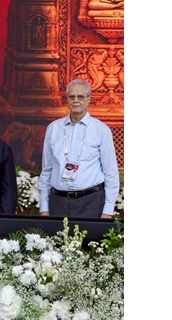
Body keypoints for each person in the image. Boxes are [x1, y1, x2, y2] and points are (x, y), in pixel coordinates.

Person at [38, 79, 120, 219]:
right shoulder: (53, 128)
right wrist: (44, 208)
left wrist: (107, 211)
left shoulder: (101, 129)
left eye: (80, 97)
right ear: (67, 99)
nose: (76, 100)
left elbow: (111, 173)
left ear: (88, 99)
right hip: (58, 201)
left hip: (91, 201)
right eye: (72, 97)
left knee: (89, 241)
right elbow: (46, 170)